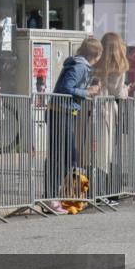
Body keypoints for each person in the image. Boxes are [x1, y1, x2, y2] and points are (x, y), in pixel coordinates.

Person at [44, 37, 102, 213]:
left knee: (69, 156)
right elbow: (66, 88)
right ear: (96, 54)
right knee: (59, 156)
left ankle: (60, 194)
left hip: (65, 112)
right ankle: (50, 197)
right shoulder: (79, 66)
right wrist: (87, 92)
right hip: (60, 112)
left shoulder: (82, 66)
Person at [83, 32, 130, 199]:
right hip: (107, 111)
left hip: (90, 109)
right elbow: (117, 92)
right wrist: (126, 90)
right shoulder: (119, 67)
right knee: (106, 151)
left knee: (91, 151)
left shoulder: (94, 64)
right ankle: (103, 192)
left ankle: (90, 189)